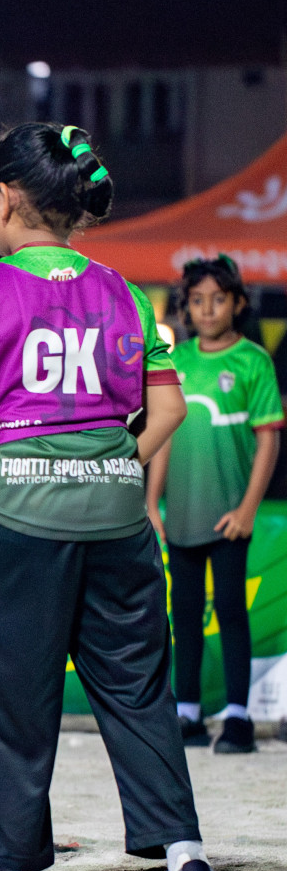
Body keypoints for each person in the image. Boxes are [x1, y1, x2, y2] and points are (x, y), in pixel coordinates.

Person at [0, 123, 227, 871]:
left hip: (17, 516)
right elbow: (168, 406)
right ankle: (188, 863)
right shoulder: (125, 292)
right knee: (138, 692)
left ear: (8, 197)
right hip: (119, 517)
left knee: (16, 701)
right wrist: (115, 462)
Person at [147, 256, 283, 754]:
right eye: (197, 300)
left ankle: (238, 717)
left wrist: (248, 508)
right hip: (180, 511)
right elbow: (161, 437)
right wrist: (151, 502)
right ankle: (188, 712)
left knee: (230, 608)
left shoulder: (253, 360)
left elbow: (268, 440)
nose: (207, 309)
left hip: (230, 513)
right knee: (182, 610)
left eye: (218, 299)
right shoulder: (176, 360)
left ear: (238, 303)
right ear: (185, 307)